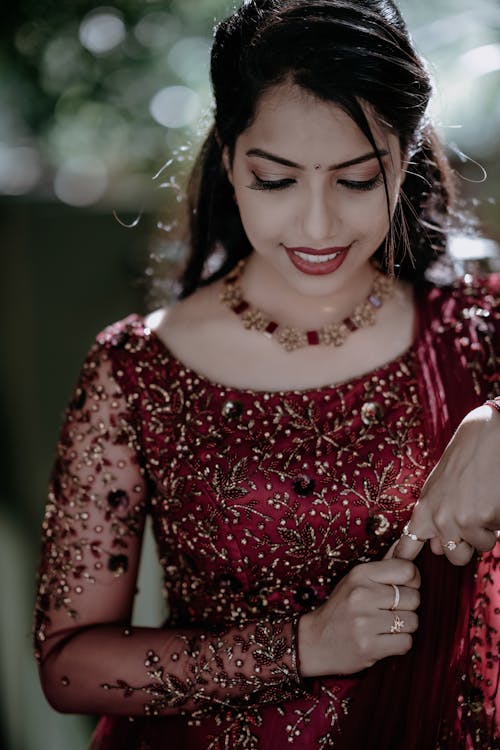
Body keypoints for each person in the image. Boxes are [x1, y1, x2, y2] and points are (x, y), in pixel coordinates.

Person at [33, 1, 500, 748]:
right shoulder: (134, 368)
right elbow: (67, 667)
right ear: (228, 159)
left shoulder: (477, 330)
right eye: (277, 181)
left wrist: (496, 421)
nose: (317, 227)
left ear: (406, 157)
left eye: (355, 181)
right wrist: (305, 644)